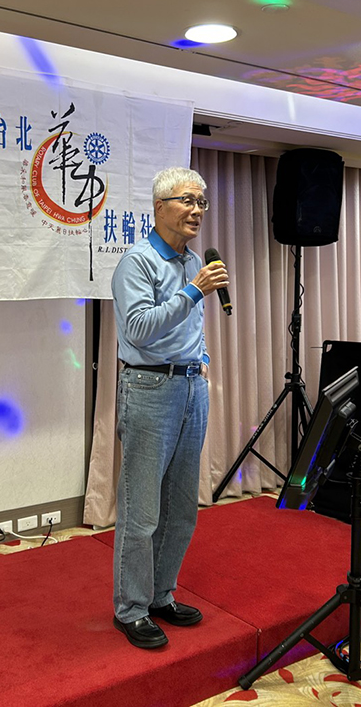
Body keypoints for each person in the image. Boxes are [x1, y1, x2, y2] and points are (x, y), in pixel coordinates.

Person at [110, 166, 229, 649]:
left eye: (201, 202)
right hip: (148, 388)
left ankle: (161, 595)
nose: (197, 210)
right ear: (160, 207)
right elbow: (139, 329)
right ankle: (131, 609)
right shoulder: (137, 262)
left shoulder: (192, 260)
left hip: (190, 388)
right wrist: (194, 290)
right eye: (187, 201)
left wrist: (201, 361)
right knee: (142, 512)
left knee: (181, 508)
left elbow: (189, 326)